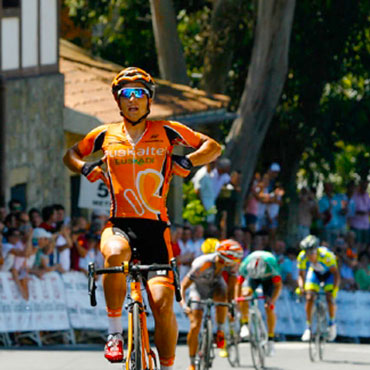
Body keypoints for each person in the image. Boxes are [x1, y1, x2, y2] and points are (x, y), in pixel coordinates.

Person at [63, 67, 221, 369]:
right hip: (119, 224)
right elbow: (70, 154)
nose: (132, 99)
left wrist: (188, 160)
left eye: (139, 94)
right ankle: (114, 335)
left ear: (149, 100)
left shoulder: (167, 130)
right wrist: (86, 167)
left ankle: (167, 364)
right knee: (114, 255)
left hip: (155, 230)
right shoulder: (104, 135)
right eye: (126, 94)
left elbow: (212, 146)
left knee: (162, 305)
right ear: (117, 101)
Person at [180, 240, 243, 370]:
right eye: (235, 260)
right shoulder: (203, 264)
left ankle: (220, 330)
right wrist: (183, 304)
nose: (236, 263)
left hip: (216, 286)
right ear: (226, 258)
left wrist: (231, 305)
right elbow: (184, 285)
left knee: (222, 294)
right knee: (195, 325)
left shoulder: (230, 265)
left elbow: (231, 288)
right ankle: (192, 362)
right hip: (198, 288)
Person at [236, 250, 282, 356]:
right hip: (252, 278)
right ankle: (245, 324)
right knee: (245, 296)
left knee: (268, 307)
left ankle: (270, 339)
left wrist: (272, 301)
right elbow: (238, 284)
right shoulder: (245, 264)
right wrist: (237, 299)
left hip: (268, 279)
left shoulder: (271, 264)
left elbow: (278, 286)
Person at [296, 235, 340, 342]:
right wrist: (301, 288)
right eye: (307, 253)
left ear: (316, 250)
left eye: (311, 253)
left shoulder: (326, 256)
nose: (309, 256)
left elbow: (336, 275)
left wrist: (334, 290)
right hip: (315, 274)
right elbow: (301, 275)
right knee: (309, 297)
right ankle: (308, 327)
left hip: (329, 275)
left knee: (329, 298)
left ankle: (332, 323)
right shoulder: (301, 257)